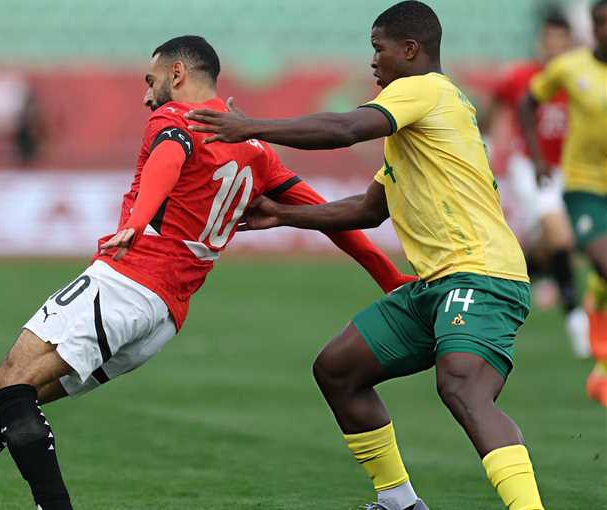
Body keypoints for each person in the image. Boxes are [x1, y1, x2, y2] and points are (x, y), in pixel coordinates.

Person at [0, 36, 413, 510]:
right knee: (14, 398)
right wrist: (390, 278)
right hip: (165, 314)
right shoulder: (257, 151)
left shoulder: (177, 117)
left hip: (130, 279)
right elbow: (332, 220)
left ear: (178, 73)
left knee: (10, 383)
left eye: (151, 79)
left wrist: (135, 220)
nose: (146, 94)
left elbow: (169, 157)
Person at [186, 2, 543, 509]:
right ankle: (399, 501)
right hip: (436, 284)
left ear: (410, 50)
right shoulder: (416, 126)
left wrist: (253, 127)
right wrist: (284, 214)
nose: (373, 60)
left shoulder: (423, 90)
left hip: (481, 274)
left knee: (463, 386)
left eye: (379, 48)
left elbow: (344, 129)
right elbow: (370, 209)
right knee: (338, 369)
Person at [483, 9, 588, 357]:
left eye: (560, 39)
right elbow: (495, 101)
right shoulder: (522, 77)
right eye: (549, 38)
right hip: (530, 166)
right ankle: (577, 320)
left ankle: (503, 285)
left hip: (569, 170)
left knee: (547, 245)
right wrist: (485, 139)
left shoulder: (578, 77)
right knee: (561, 235)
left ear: (569, 42)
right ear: (541, 41)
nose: (553, 45)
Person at [520, 0, 607, 406]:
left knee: (590, 267)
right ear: (592, 26)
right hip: (581, 185)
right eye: (602, 23)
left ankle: (599, 363)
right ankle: (587, 324)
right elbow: (527, 103)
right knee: (592, 256)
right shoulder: (569, 68)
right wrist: (536, 158)